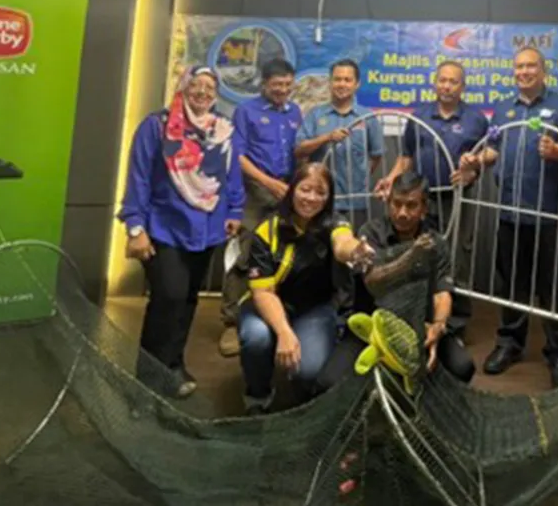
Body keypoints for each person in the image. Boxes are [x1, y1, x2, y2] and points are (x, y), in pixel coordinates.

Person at [118, 65, 243, 398]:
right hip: (164, 227)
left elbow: (231, 175)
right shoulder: (156, 126)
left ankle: (173, 365)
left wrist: (235, 210)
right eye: (196, 84)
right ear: (183, 86)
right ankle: (148, 380)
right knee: (168, 298)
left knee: (187, 299)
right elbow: (139, 177)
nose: (202, 92)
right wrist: (135, 227)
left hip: (208, 229)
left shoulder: (223, 129)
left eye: (209, 87)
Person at [460, 46, 558, 387]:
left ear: (543, 71)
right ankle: (509, 344)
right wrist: (476, 159)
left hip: (551, 213)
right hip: (509, 210)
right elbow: (494, 149)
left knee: (553, 287)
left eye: (531, 66)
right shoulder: (503, 108)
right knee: (511, 284)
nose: (524, 72)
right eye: (519, 66)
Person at [236, 163, 375, 415]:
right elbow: (263, 292)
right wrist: (284, 332)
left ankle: (299, 392)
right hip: (268, 303)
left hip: (313, 308)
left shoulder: (335, 222)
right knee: (257, 338)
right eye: (305, 189)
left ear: (328, 198)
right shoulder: (268, 229)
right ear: (292, 190)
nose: (311, 198)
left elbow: (342, 243)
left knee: (309, 371)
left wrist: (355, 251)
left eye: (320, 192)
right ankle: (258, 396)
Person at [321, 171, 476, 388]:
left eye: (411, 206)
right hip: (372, 323)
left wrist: (438, 325)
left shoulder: (435, 241)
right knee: (328, 382)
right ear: (388, 203)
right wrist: (410, 257)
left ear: (424, 208)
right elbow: (374, 282)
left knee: (463, 367)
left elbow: (442, 293)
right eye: (397, 204)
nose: (402, 213)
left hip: (418, 324)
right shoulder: (371, 233)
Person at [373, 60, 489, 337]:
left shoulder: (476, 119)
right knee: (421, 254)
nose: (447, 86)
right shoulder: (420, 116)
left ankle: (455, 325)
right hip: (420, 201)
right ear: (435, 84)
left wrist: (472, 170)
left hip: (457, 198)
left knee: (457, 257)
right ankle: (423, 316)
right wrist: (391, 178)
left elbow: (487, 155)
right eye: (442, 80)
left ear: (463, 86)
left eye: (453, 82)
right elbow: (406, 157)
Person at [219, 58, 301, 359]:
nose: (283, 90)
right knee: (245, 255)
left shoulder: (295, 112)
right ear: (264, 84)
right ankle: (231, 322)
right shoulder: (246, 111)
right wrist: (268, 183)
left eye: (287, 85)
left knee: (283, 254)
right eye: (277, 84)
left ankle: (275, 317)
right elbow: (238, 157)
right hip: (254, 191)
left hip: (286, 191)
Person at [295, 59, 385, 230]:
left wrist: (360, 176)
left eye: (347, 80)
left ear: (357, 84)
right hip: (319, 200)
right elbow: (299, 151)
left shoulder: (368, 117)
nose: (342, 84)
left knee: (354, 244)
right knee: (319, 244)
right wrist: (326, 137)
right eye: (337, 79)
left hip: (356, 201)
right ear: (330, 82)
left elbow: (376, 155)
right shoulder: (315, 115)